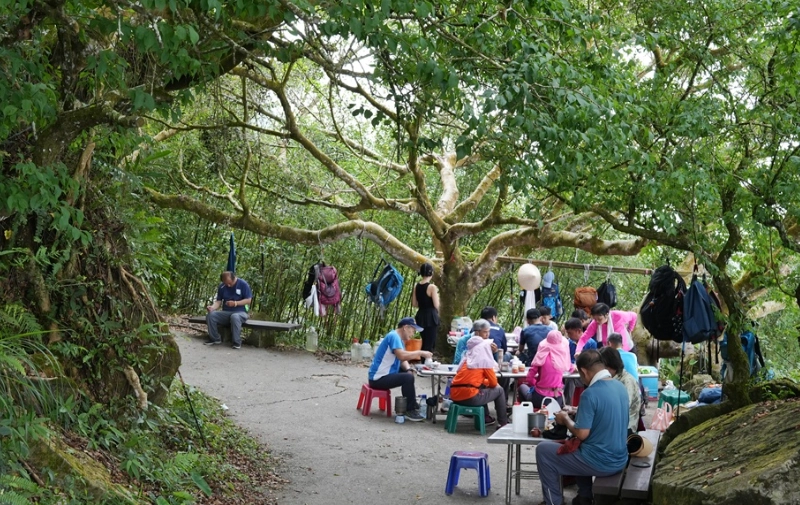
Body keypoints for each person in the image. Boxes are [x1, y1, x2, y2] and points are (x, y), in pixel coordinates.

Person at [535, 350, 629, 505]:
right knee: (578, 447)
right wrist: (577, 410)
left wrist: (565, 418)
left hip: (601, 462)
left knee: (543, 450)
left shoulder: (589, 394)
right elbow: (604, 410)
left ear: (584, 371)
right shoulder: (619, 386)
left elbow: (582, 433)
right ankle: (584, 496)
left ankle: (553, 501)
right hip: (620, 458)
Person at [368, 317, 433, 422]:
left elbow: (401, 360)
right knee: (407, 378)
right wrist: (420, 353)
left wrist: (408, 369)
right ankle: (409, 410)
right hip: (378, 379)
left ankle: (412, 404)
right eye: (412, 330)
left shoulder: (399, 339)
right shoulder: (394, 337)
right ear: (405, 327)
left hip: (383, 374)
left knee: (408, 373)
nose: (413, 333)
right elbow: (401, 355)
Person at [450, 336, 508, 427]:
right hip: (470, 397)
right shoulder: (484, 361)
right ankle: (503, 422)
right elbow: (493, 383)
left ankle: (485, 417)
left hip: (454, 395)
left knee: (480, 387)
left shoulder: (466, 360)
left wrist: (483, 382)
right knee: (499, 390)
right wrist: (487, 382)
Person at [518, 330, 571, 408]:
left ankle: (527, 413)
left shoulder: (541, 357)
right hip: (557, 399)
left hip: (539, 398)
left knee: (522, 387)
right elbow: (571, 368)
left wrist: (536, 384)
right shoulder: (564, 359)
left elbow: (529, 378)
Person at [599, 346, 641, 435]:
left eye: (603, 367)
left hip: (625, 427)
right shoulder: (609, 378)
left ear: (611, 365)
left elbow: (620, 409)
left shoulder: (626, 381)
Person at [205, 271, 253, 349]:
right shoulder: (222, 286)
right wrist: (212, 307)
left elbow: (248, 300)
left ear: (234, 278)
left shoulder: (243, 284)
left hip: (240, 312)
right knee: (211, 315)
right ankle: (215, 339)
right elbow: (218, 301)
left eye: (230, 283)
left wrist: (235, 303)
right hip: (226, 312)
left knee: (235, 316)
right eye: (226, 283)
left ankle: (236, 342)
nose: (228, 285)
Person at [563, 317, 597, 405]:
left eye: (570, 333)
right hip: (572, 373)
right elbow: (567, 359)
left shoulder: (591, 343)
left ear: (578, 331)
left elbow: (593, 362)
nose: (568, 335)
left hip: (586, 375)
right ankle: (566, 405)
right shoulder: (569, 343)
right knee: (569, 379)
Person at [412, 262, 440, 353]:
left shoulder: (416, 286)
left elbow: (414, 303)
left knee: (424, 342)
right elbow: (436, 305)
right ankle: (426, 364)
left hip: (421, 316)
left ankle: (424, 363)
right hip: (431, 317)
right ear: (431, 273)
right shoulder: (432, 287)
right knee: (430, 343)